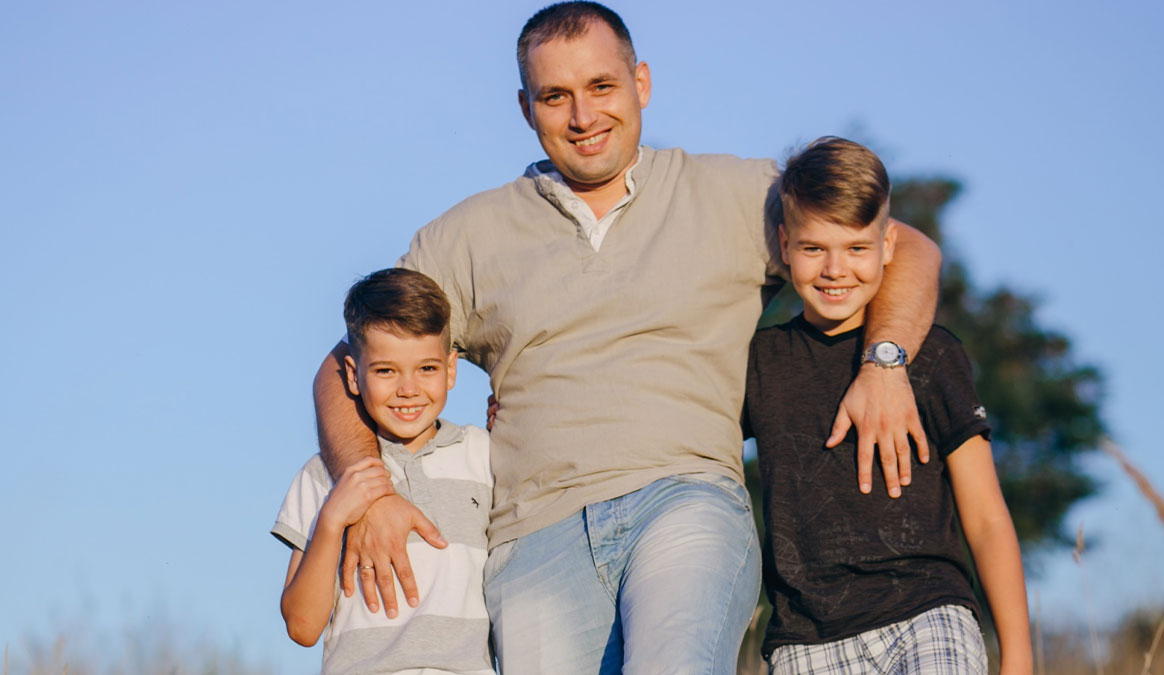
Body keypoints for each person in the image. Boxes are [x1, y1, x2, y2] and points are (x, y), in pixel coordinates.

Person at [313, 3, 944, 673]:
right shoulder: (464, 238)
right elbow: (343, 364)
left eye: (601, 87)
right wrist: (372, 487)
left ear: (641, 82)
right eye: (556, 96)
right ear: (526, 107)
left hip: (686, 496)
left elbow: (908, 250)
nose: (583, 117)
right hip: (534, 534)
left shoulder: (738, 194)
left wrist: (884, 363)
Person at [744, 137, 1032, 675]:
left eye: (856, 248)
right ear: (784, 246)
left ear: (889, 246)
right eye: (813, 249)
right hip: (806, 640)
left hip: (927, 614)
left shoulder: (934, 355)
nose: (835, 269)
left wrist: (1018, 658)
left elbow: (988, 517)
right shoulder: (760, 362)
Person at [274, 268, 494, 675]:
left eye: (426, 369)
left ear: (451, 369)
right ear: (354, 377)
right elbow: (302, 627)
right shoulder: (323, 477)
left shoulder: (483, 456)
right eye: (385, 371)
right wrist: (333, 518)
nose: (408, 389)